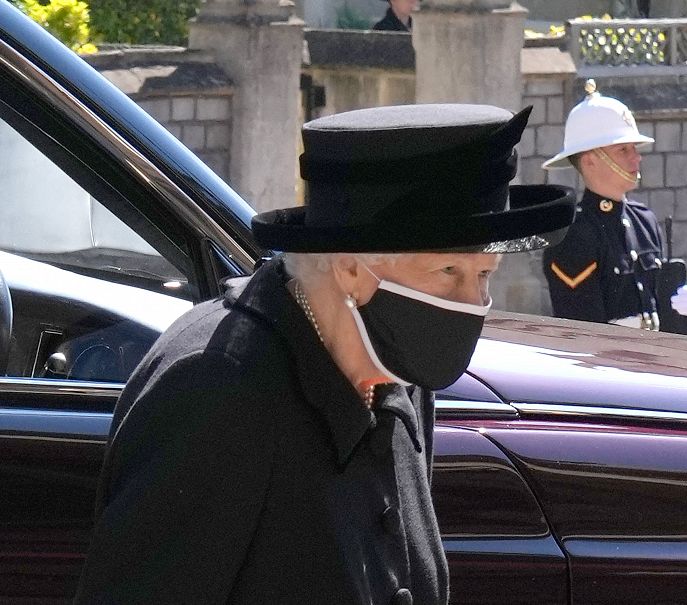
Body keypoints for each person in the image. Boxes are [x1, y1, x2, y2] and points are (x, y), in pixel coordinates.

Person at [74, 103, 576, 604]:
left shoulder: (396, 374)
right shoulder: (218, 388)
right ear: (352, 269)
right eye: (448, 273)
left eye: (484, 274)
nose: (472, 303)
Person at [541, 80, 687, 331]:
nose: (636, 156)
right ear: (591, 160)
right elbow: (583, 328)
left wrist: (679, 311)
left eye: (634, 148)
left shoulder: (644, 220)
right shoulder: (573, 234)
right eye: (623, 150)